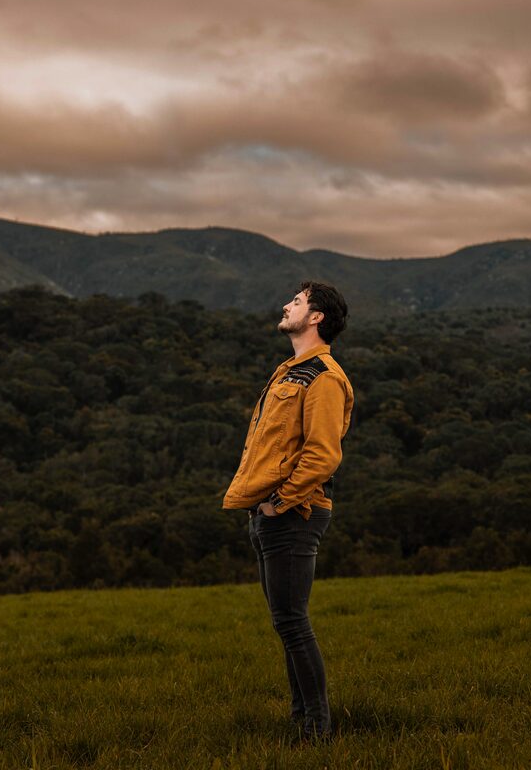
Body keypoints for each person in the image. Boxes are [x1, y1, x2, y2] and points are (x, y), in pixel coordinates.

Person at [222, 280, 354, 740]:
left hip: (295, 515)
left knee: (293, 622)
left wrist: (280, 503)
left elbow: (323, 455)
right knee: (285, 622)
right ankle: (301, 719)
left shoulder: (325, 377)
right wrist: (259, 505)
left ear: (316, 317)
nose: (286, 305)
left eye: (296, 302)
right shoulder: (289, 371)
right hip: (266, 513)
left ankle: (316, 728)